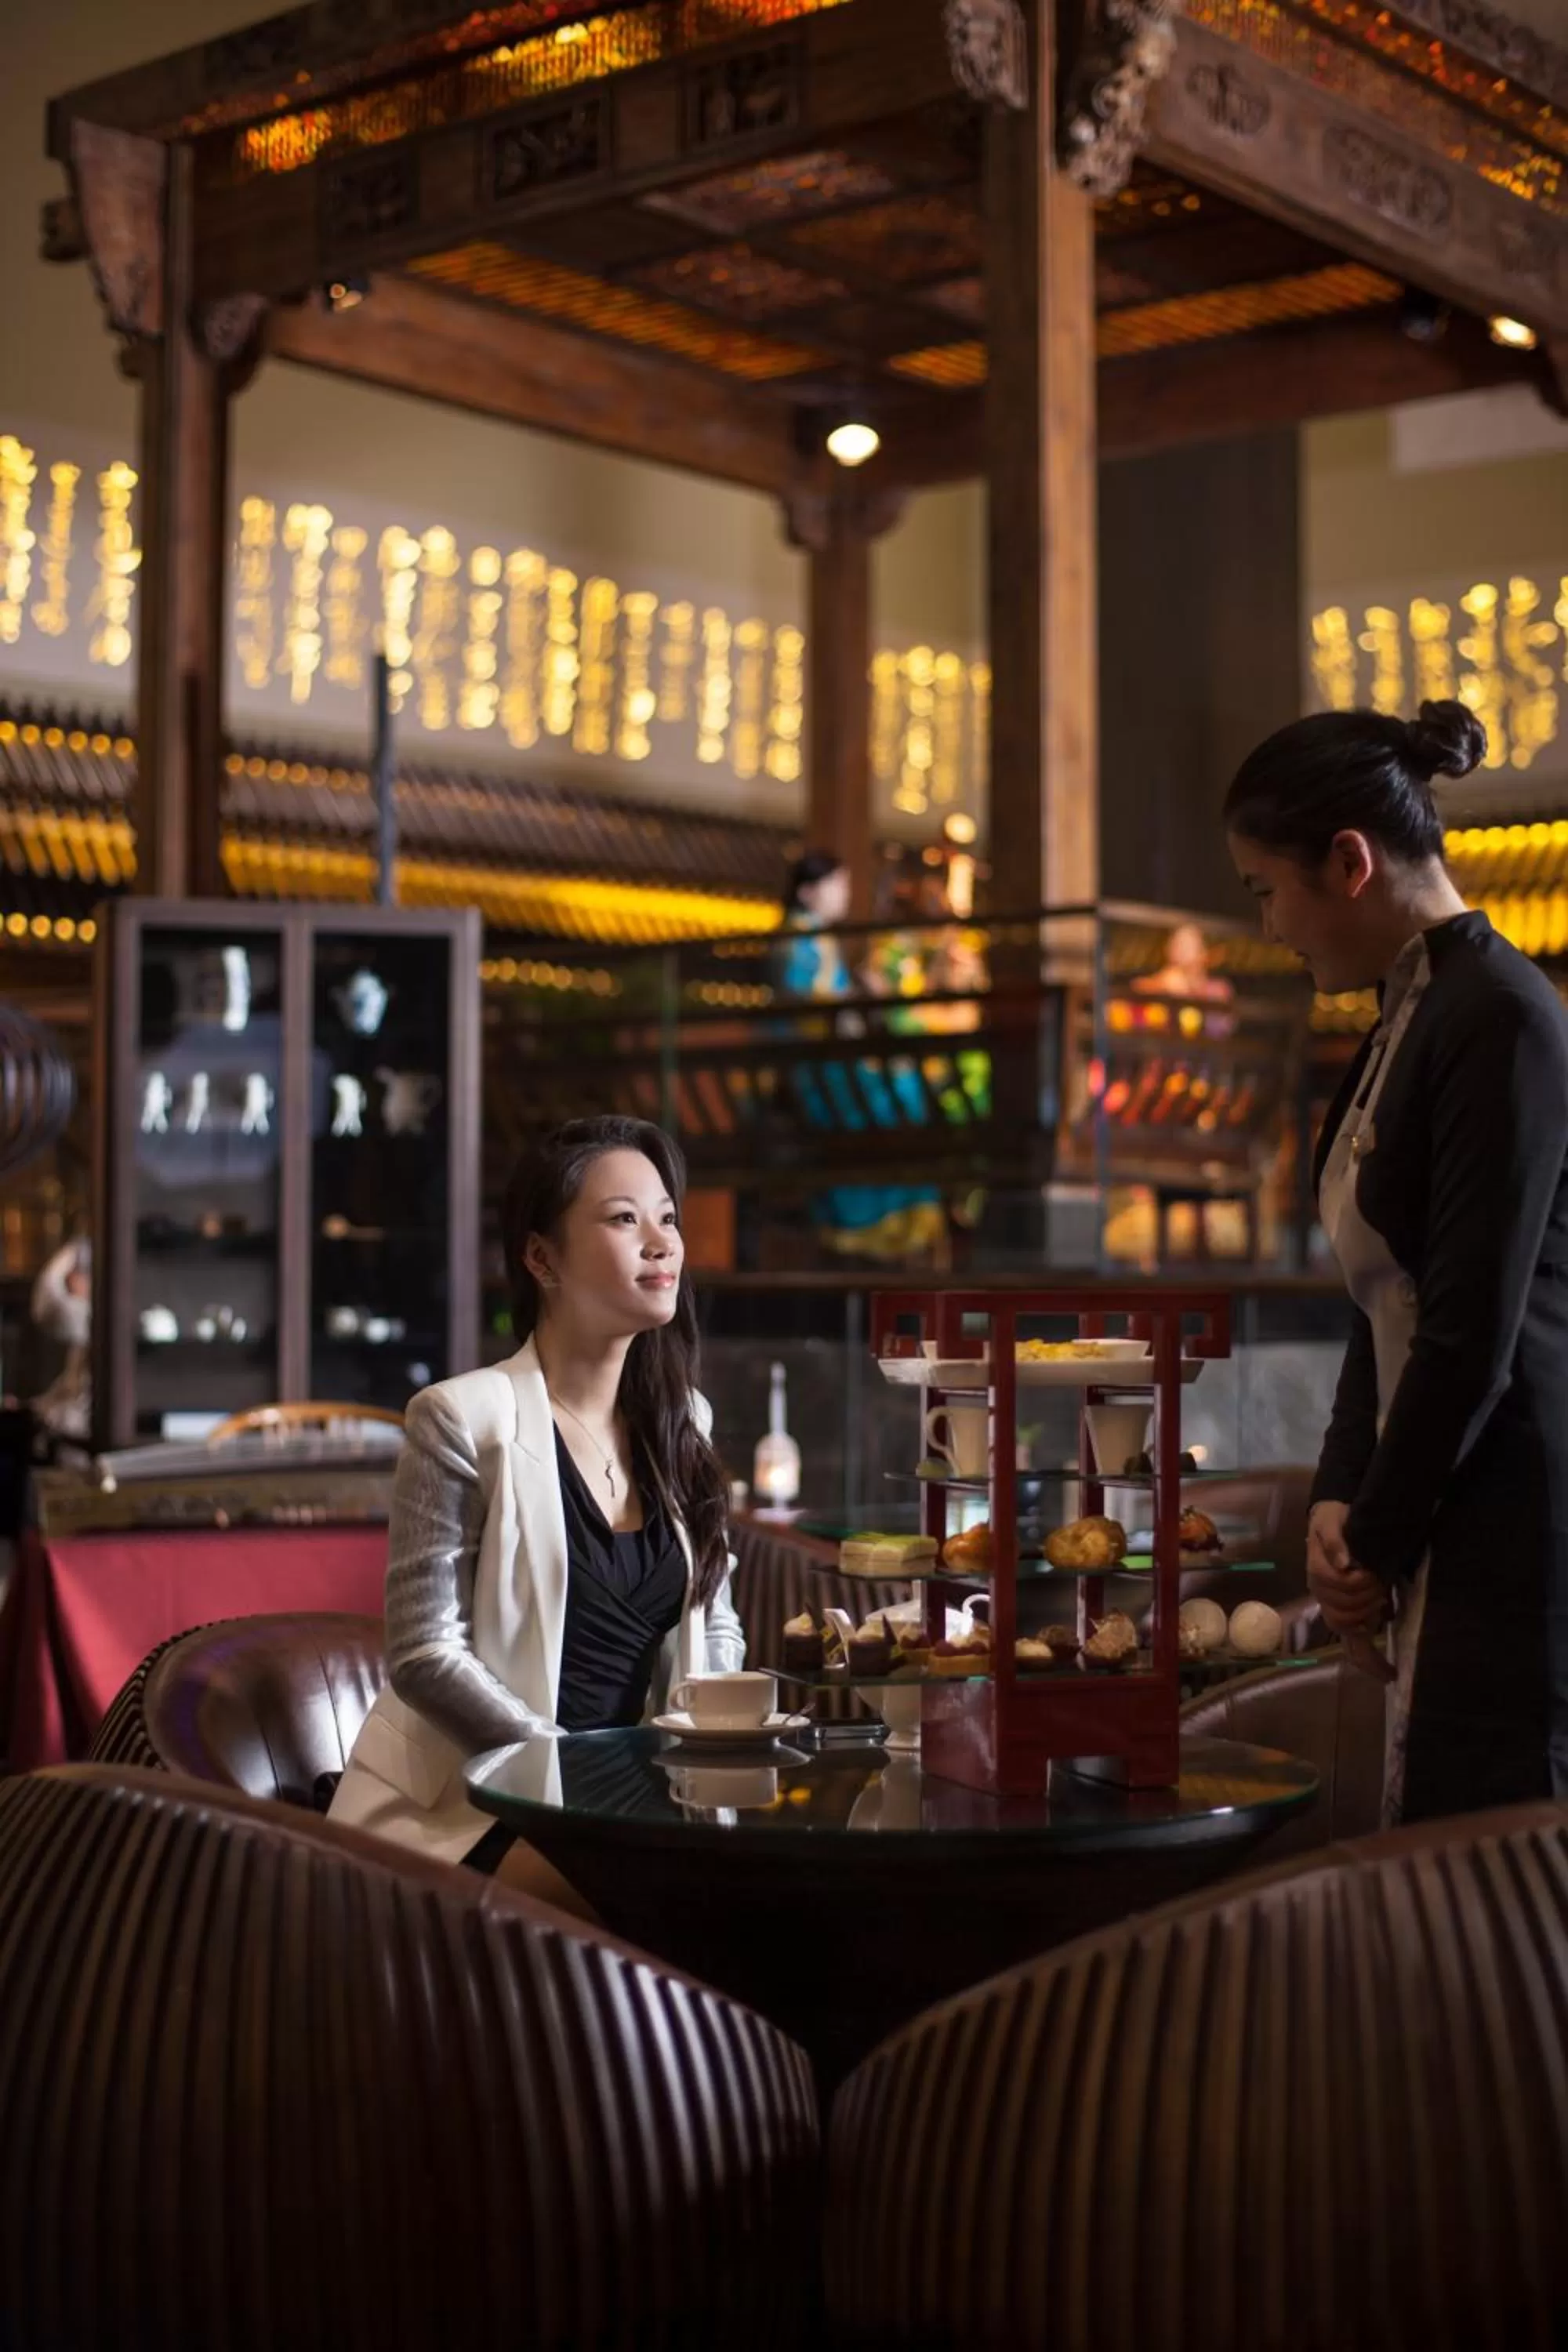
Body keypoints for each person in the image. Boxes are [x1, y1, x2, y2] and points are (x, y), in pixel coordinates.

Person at [1224, 695, 1568, 1824]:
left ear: (1349, 862)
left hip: (1508, 1508)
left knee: (1487, 1863)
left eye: (1264, 889)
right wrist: (1337, 1494)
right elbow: (1382, 1300)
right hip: (1430, 1491)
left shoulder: (1499, 1014)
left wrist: (1370, 1543)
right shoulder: (1405, 1014)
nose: (1269, 925)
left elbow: (1466, 1336)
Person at [330, 1116, 744, 1893]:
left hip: (630, 1806)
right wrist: (569, 1774)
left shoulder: (683, 1419)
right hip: (472, 1809)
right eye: (624, 1219)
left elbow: (713, 1618)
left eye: (667, 1218)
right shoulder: (460, 1418)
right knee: (662, 1904)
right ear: (540, 1258)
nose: (661, 1243)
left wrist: (703, 1748)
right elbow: (425, 1655)